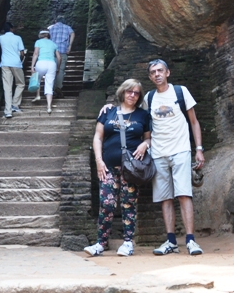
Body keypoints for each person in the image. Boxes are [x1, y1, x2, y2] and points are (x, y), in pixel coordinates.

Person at [142, 59, 205, 256]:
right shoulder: (149, 98)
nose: (157, 74)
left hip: (180, 150)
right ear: (150, 77)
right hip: (158, 152)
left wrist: (199, 149)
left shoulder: (180, 91)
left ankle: (190, 240)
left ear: (168, 72)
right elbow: (144, 126)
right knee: (165, 198)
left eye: (160, 70)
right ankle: (170, 242)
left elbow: (194, 122)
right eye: (153, 72)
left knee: (184, 194)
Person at [84, 79, 152, 257]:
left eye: (136, 93)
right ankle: (101, 243)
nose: (132, 95)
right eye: (129, 91)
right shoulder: (108, 112)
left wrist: (145, 144)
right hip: (107, 166)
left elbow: (148, 138)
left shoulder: (143, 115)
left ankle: (128, 243)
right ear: (122, 92)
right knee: (106, 203)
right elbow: (98, 137)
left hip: (131, 168)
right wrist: (99, 160)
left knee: (128, 203)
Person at [0, 22, 26, 119]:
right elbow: (22, 53)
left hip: (5, 64)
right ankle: (15, 104)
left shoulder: (1, 38)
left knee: (7, 87)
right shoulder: (18, 38)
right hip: (16, 63)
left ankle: (8, 111)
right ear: (11, 28)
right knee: (21, 84)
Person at [31, 29, 61, 114]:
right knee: (49, 85)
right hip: (52, 64)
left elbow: (36, 53)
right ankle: (49, 107)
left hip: (41, 63)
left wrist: (32, 66)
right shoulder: (54, 44)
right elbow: (59, 58)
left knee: (37, 79)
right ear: (48, 35)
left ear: (40, 35)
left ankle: (38, 95)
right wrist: (58, 68)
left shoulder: (38, 42)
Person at [48, 16, 75, 99]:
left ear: (56, 21)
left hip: (51, 52)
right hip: (62, 51)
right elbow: (73, 34)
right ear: (64, 21)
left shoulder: (50, 28)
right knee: (60, 70)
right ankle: (58, 87)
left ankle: (51, 89)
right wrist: (70, 46)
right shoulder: (68, 28)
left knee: (51, 70)